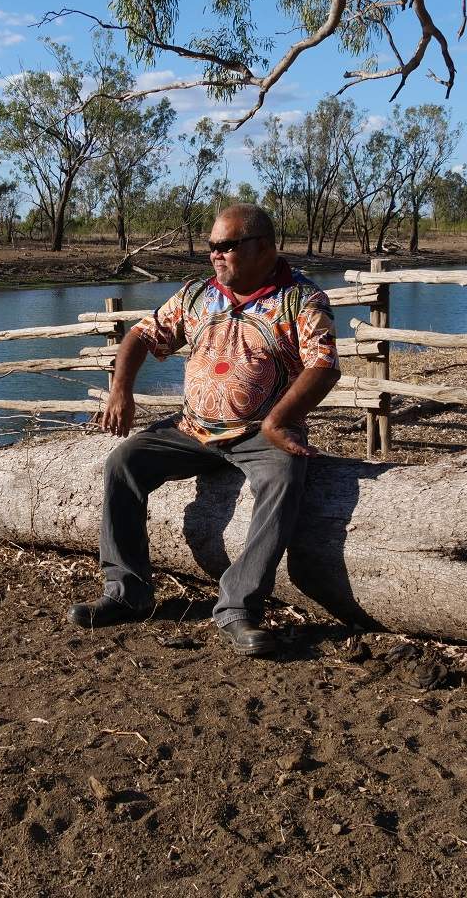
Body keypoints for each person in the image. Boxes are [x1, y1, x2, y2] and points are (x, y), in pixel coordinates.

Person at [69, 203, 341, 656]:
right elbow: (141, 334)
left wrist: (278, 421)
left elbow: (324, 366)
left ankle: (238, 608)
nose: (215, 255)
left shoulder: (299, 299)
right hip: (192, 429)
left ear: (265, 248)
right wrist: (121, 390)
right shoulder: (198, 295)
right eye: (211, 246)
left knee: (285, 477)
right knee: (125, 461)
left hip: (261, 433)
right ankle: (127, 591)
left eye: (227, 246)